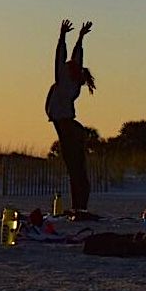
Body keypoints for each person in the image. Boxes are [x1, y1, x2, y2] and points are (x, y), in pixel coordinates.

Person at [45, 19, 95, 215]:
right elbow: (63, 56)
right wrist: (65, 36)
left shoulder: (69, 79)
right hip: (63, 121)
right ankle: (78, 205)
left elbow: (74, 57)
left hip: (66, 121)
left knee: (77, 167)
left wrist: (78, 38)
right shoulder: (64, 76)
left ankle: (80, 205)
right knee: (75, 167)